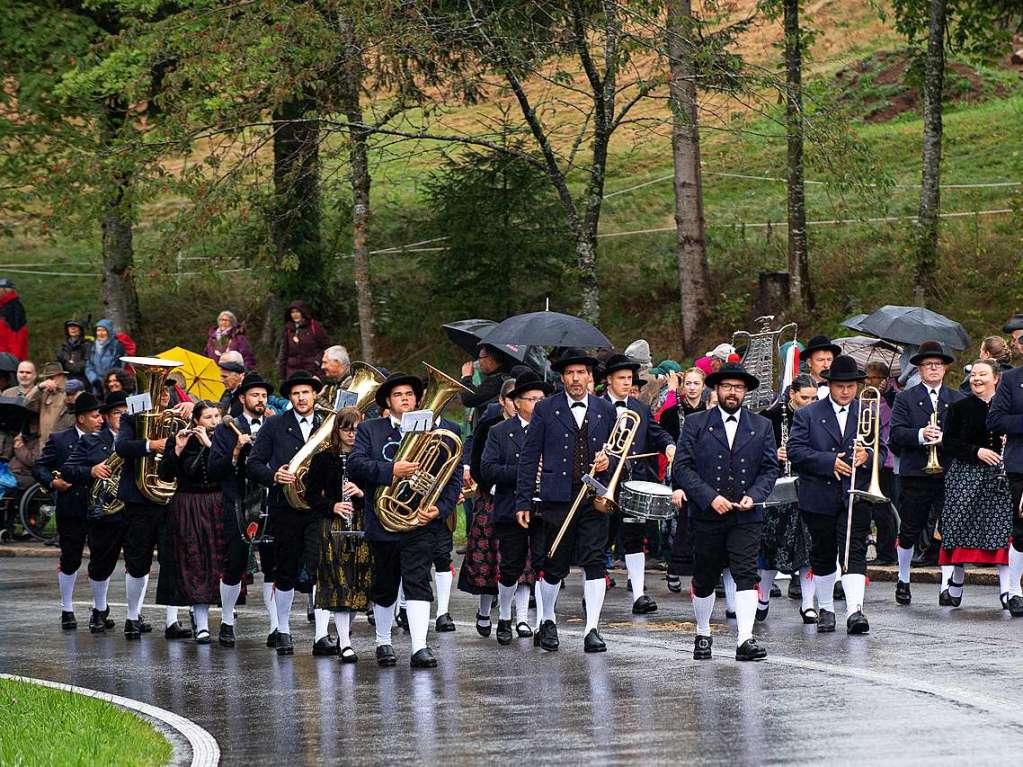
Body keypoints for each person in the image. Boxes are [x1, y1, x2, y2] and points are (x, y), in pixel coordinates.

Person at [348, 371, 462, 668]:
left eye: (410, 394)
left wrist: (441, 508)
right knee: (385, 586)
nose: (405, 399)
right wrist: (391, 471)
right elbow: (356, 465)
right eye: (399, 395)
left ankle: (419, 647)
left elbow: (452, 476)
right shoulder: (371, 429)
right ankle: (384, 641)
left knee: (418, 582)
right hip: (383, 520)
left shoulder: (435, 431)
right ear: (388, 401)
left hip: (420, 521)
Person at [672, 361, 779, 661]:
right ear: (717, 389)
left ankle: (745, 638)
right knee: (705, 577)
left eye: (739, 388)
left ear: (746, 392)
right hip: (707, 515)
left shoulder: (762, 426)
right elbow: (681, 468)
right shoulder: (695, 423)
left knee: (746, 573)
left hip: (746, 515)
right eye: (728, 387)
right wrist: (708, 497)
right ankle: (703, 632)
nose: (733, 393)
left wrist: (754, 496)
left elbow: (770, 468)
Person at [515, 348, 617, 654]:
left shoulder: (605, 409)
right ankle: (547, 620)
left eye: (581, 373)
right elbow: (529, 455)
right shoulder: (546, 408)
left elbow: (618, 455)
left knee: (594, 560)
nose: (576, 378)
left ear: (590, 377)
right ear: (562, 378)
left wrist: (607, 464)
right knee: (554, 562)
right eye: (570, 373)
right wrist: (523, 501)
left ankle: (592, 628)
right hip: (557, 497)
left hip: (594, 495)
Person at [788, 355, 887, 636]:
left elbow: (884, 452)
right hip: (819, 494)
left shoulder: (867, 411)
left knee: (855, 551)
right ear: (829, 385)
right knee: (823, 552)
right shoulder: (807, 414)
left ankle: (855, 610)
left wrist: (866, 457)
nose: (846, 392)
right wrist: (828, 461)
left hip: (856, 495)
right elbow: (796, 451)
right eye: (840, 386)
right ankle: (827, 609)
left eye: (851, 386)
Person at [246, 370, 324, 655]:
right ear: (289, 398)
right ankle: (283, 630)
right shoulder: (275, 425)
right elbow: (253, 464)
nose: (301, 397)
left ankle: (321, 635)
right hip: (285, 507)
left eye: (306, 392)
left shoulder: (327, 423)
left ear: (315, 394)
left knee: (320, 569)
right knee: (286, 570)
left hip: (318, 508)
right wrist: (273, 476)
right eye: (295, 393)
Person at [116, 381, 192, 642]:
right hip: (139, 499)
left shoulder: (179, 414)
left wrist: (194, 411)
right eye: (158, 391)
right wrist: (151, 445)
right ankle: (132, 616)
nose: (163, 396)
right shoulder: (132, 413)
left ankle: (172, 620)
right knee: (138, 561)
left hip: (169, 497)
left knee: (172, 560)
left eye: (166, 391)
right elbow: (122, 447)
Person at [889, 340, 964, 603]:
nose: (933, 368)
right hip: (916, 472)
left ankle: (946, 585)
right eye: (928, 365)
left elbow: (967, 439)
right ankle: (904, 577)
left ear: (944, 369)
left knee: (949, 528)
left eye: (938, 364)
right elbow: (896, 435)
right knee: (910, 528)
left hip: (949, 472)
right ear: (919, 370)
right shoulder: (905, 399)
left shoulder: (957, 399)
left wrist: (945, 438)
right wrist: (921, 434)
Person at [938, 359, 1015, 611]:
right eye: (973, 375)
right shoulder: (959, 407)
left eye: (983, 374)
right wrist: (976, 451)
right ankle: (957, 579)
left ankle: (1007, 590)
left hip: (1000, 475)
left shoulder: (1007, 407)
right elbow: (948, 443)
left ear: (996, 378)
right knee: (958, 525)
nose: (976, 379)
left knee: (1002, 529)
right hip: (965, 473)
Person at [600, 354, 675, 615]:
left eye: (629, 379)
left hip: (634, 481)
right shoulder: (596, 407)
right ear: (608, 380)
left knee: (634, 537)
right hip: (605, 482)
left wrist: (668, 445)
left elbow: (655, 433)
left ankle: (639, 594)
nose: (626, 383)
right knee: (600, 539)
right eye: (621, 378)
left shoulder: (640, 408)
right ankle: (594, 589)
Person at [482, 370, 552, 645]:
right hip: (511, 507)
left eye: (542, 398)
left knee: (544, 564)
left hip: (545, 508)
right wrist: (525, 471)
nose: (538, 403)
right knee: (510, 567)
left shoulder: (552, 430)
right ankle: (505, 617)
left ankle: (545, 622)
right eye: (532, 399)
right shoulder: (499, 432)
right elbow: (488, 469)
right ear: (518, 402)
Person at [207, 372, 274, 647]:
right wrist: (235, 451)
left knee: (274, 565)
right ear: (242, 398)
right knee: (233, 564)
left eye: (263, 395)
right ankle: (226, 620)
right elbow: (213, 470)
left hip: (270, 501)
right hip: (237, 501)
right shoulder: (226, 429)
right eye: (255, 395)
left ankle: (277, 626)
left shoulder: (275, 425)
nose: (260, 399)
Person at [306, 407, 372, 662]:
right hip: (333, 527)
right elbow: (311, 496)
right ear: (337, 431)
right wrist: (332, 505)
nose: (352, 434)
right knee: (339, 583)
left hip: (361, 523)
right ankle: (345, 642)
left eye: (356, 429)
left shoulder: (367, 458)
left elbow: (381, 492)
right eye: (346, 429)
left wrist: (362, 493)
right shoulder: (323, 459)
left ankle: (346, 635)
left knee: (358, 583)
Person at [61, 392, 130, 633]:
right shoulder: (92, 441)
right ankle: (99, 610)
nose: (122, 417)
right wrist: (91, 471)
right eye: (117, 413)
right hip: (106, 511)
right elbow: (68, 469)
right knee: (102, 562)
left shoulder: (142, 439)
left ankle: (135, 615)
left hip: (135, 508)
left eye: (126, 412)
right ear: (107, 417)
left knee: (138, 564)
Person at [33, 392, 104, 630]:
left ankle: (99, 609)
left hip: (99, 507)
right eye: (95, 416)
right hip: (71, 506)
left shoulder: (106, 439)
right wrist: (53, 483)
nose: (100, 420)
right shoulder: (60, 439)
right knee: (70, 558)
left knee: (101, 559)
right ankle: (67, 609)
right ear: (81, 418)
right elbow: (40, 466)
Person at [156, 401, 225, 644]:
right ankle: (202, 625)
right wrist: (177, 449)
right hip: (188, 505)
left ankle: (226, 622)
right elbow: (165, 474)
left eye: (217, 416)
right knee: (194, 562)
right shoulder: (180, 440)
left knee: (219, 564)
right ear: (196, 421)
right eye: (208, 417)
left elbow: (229, 470)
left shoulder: (225, 441)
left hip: (218, 504)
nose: (214, 421)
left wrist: (211, 445)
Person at [458, 378, 517, 637]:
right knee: (487, 558)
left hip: (519, 497)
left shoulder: (535, 424)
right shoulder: (490, 422)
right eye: (512, 398)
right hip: (490, 494)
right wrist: (482, 479)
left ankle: (518, 617)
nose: (517, 403)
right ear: (502, 401)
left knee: (518, 560)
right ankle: (483, 610)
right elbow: (478, 456)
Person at [758, 374, 817, 623]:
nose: (810, 403)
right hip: (777, 489)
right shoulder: (770, 417)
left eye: (814, 398)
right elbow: (752, 451)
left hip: (807, 487)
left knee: (807, 548)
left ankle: (808, 604)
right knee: (772, 547)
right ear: (792, 394)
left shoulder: (818, 417)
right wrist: (774, 452)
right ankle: (762, 598)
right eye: (805, 398)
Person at [986, 351, 1023, 613]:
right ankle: (1015, 590)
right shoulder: (1011, 379)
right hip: (1020, 465)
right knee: (1021, 530)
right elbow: (995, 420)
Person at [277, 301, 329, 382]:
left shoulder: (314, 326)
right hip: (292, 372)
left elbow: (326, 348)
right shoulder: (288, 329)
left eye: (297, 311)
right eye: (292, 312)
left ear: (303, 312)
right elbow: (284, 352)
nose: (295, 314)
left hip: (312, 371)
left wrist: (317, 362)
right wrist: (281, 374)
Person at [24, 362, 71, 445]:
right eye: (47, 378)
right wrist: (38, 387)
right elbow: (26, 404)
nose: (49, 381)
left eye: (52, 377)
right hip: (43, 443)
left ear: (61, 376)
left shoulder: (70, 392)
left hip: (61, 443)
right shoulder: (43, 392)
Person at [85, 320, 126, 395]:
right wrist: (94, 380)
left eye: (103, 330)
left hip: (113, 384)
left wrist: (107, 381)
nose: (100, 333)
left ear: (109, 331)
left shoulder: (117, 346)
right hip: (97, 387)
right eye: (98, 330)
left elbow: (118, 367)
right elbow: (88, 366)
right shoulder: (92, 347)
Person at [0, 278, 29, 361]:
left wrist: (13, 362)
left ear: (4, 290)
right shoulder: (4, 307)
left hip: (7, 361)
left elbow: (17, 338)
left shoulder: (14, 308)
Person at [57, 320, 91, 387]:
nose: (72, 329)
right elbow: (58, 363)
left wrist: (68, 365)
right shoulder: (63, 346)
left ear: (80, 329)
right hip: (65, 379)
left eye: (75, 327)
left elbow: (86, 363)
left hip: (83, 379)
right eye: (70, 327)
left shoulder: (87, 345)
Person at [217, 351, 247, 416]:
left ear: (238, 376)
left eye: (225, 376)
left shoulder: (249, 395)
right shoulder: (227, 392)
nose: (221, 380)